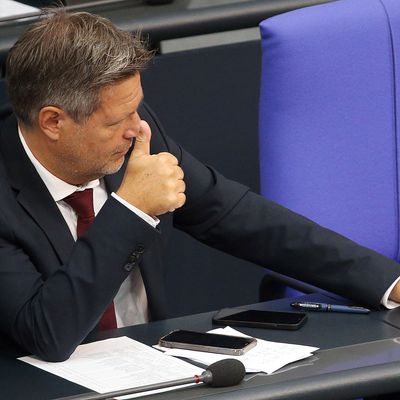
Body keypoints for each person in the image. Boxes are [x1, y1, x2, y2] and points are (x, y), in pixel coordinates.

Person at [1, 8, 400, 362]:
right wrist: (131, 211)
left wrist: (388, 281)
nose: (136, 129)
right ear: (53, 122)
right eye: (114, 122)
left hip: (150, 370)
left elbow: (235, 215)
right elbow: (46, 333)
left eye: (136, 109)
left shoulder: (135, 134)